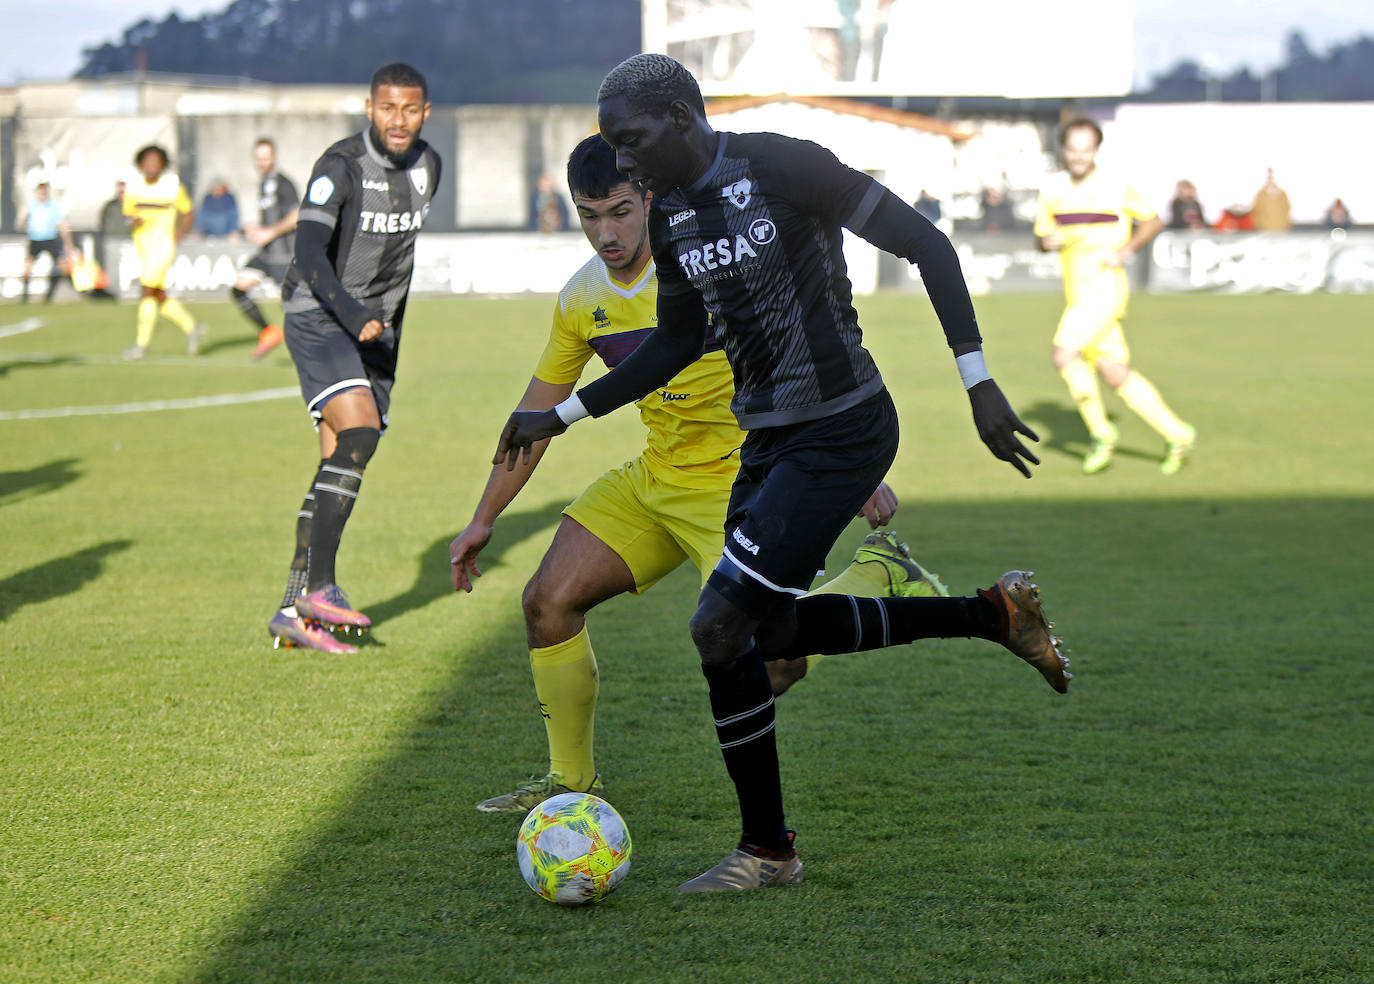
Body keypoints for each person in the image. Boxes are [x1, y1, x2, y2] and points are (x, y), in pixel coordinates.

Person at [496, 54, 1069, 893]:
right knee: (769, 634)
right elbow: (674, 343)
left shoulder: (782, 165)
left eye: (631, 141)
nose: (622, 162)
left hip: (843, 428)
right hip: (766, 444)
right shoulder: (674, 213)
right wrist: (564, 414)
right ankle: (993, 615)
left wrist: (977, 380)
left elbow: (927, 244)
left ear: (681, 121)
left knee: (715, 628)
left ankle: (768, 851)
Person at [451, 134, 950, 815]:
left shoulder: (713, 264)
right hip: (658, 478)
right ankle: (569, 784)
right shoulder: (580, 301)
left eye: (621, 211)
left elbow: (800, 357)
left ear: (650, 197)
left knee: (774, 663)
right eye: (589, 214)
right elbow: (534, 418)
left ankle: (878, 573)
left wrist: (846, 465)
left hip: (744, 479)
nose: (607, 232)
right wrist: (484, 519)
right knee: (547, 600)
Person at [265, 63, 441, 653]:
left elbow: (398, 263)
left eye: (410, 108)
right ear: (370, 108)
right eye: (388, 107)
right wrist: (351, 313)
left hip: (378, 335)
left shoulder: (428, 167)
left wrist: (383, 330)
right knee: (360, 431)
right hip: (319, 316)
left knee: (336, 464)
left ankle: (295, 614)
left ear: (425, 112)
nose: (399, 119)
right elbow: (309, 252)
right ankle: (321, 587)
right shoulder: (338, 166)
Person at [1034, 117, 1196, 476]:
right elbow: (1042, 236)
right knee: (1114, 372)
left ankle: (1101, 433)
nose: (1079, 156)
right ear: (1064, 149)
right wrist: (1046, 243)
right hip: (1077, 295)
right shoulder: (1052, 190)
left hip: (1104, 289)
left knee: (1063, 355)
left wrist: (1124, 251)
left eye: (1086, 149)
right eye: (1073, 149)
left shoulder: (1115, 187)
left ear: (1096, 150)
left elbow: (1153, 221)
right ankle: (1177, 433)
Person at [121, 146, 207, 360]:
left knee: (146, 291)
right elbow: (128, 215)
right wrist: (134, 220)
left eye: (156, 161)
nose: (151, 165)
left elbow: (188, 211)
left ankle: (141, 345)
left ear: (162, 164)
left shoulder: (172, 186)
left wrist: (180, 232)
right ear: (141, 164)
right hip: (143, 247)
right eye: (148, 161)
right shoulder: (134, 187)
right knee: (159, 296)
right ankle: (192, 327)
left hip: (162, 247)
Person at [231, 138, 301, 359]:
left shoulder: (283, 183)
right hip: (267, 255)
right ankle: (269, 332)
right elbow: (271, 219)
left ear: (274, 157)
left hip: (284, 256)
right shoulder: (264, 183)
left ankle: (319, 346)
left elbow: (297, 214)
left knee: (293, 309)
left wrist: (270, 232)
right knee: (238, 289)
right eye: (258, 158)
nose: (262, 162)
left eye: (266, 157)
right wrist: (253, 230)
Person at [18, 181, 74, 303]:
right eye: (40, 191)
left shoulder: (53, 206)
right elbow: (23, 221)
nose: (42, 194)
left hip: (51, 238)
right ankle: (24, 295)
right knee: (28, 265)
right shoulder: (32, 206)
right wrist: (27, 225)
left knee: (62, 265)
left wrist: (67, 241)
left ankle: (76, 290)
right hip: (35, 238)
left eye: (44, 191)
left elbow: (62, 224)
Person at [97, 180, 127, 296]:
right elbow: (103, 221)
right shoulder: (110, 206)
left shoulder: (132, 203)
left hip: (129, 241)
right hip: (112, 240)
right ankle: (111, 291)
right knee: (112, 268)